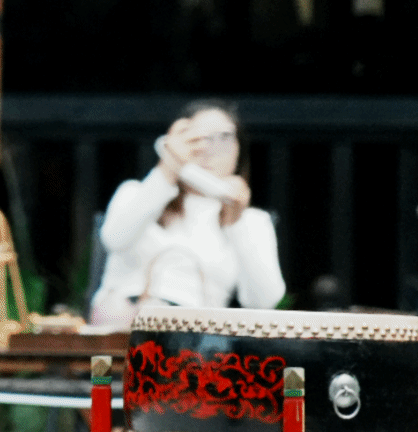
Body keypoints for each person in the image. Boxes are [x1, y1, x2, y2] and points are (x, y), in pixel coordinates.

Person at [88, 100, 283, 328]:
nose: (207, 149)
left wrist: (236, 222)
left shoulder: (252, 221)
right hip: (125, 328)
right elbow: (114, 238)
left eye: (223, 138)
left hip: (192, 337)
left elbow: (264, 301)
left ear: (239, 150)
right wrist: (168, 168)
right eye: (197, 138)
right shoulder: (137, 192)